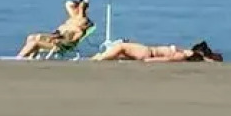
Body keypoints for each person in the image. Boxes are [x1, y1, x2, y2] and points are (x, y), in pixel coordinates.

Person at [16, 0, 93, 59]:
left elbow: (72, 41)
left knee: (35, 43)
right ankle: (31, 57)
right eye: (80, 5)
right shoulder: (74, 18)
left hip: (59, 45)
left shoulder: (82, 26)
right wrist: (78, 3)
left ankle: (19, 58)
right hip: (55, 37)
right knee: (31, 37)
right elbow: (68, 3)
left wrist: (58, 40)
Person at [91, 40, 223, 63]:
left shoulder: (182, 55)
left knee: (121, 46)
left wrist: (149, 60)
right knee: (120, 51)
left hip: (149, 52)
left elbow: (167, 59)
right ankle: (100, 57)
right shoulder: (185, 52)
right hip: (148, 52)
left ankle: (100, 58)